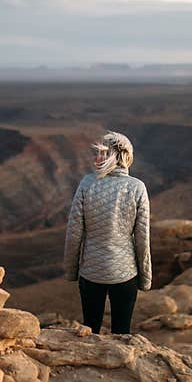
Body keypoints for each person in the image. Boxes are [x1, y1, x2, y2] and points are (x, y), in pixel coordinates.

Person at [63, 130, 152, 334]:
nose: (96, 158)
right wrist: (145, 279)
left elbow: (74, 233)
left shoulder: (87, 184)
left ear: (115, 156)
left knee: (90, 330)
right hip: (125, 275)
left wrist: (71, 271)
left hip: (91, 274)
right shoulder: (137, 188)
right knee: (122, 333)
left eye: (102, 153)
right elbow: (142, 239)